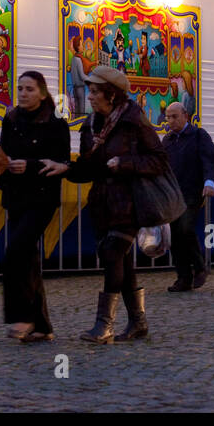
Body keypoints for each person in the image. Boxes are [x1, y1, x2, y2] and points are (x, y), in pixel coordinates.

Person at [40, 66, 172, 344]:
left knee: (113, 254)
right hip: (102, 203)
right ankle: (138, 322)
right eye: (90, 90)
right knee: (120, 261)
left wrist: (125, 163)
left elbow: (159, 159)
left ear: (111, 94)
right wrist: (64, 168)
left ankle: (104, 326)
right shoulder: (90, 125)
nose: (90, 96)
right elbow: (89, 169)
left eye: (96, 91)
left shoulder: (134, 120)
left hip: (130, 203)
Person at [0, 72, 69, 342]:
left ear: (42, 93)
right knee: (28, 259)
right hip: (16, 196)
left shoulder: (57, 123)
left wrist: (30, 166)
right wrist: (4, 165)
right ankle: (42, 326)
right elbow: (4, 153)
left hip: (42, 197)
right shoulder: (10, 119)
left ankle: (22, 317)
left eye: (29, 89)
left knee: (15, 252)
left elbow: (62, 162)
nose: (23, 93)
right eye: (20, 88)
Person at [162, 101, 214, 292]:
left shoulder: (198, 135)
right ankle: (183, 277)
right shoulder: (167, 140)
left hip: (193, 191)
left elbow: (208, 159)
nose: (170, 121)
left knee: (184, 228)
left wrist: (209, 182)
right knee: (174, 235)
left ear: (185, 115)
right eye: (168, 117)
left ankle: (200, 267)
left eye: (174, 116)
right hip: (172, 194)